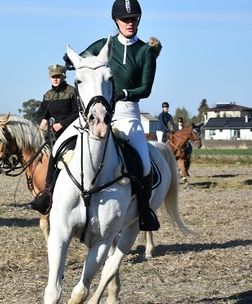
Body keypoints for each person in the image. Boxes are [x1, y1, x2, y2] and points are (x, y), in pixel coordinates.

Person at [59, 0, 160, 231]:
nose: (130, 23)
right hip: (98, 111)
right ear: (116, 21)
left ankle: (144, 212)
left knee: (144, 165)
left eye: (134, 19)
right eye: (125, 19)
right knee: (60, 146)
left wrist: (122, 92)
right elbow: (82, 59)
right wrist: (71, 62)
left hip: (128, 113)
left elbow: (146, 89)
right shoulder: (103, 45)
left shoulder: (145, 51)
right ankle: (48, 195)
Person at [26, 64, 79, 214]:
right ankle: (44, 193)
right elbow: (42, 112)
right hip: (52, 134)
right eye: (53, 76)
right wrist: (41, 121)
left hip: (71, 132)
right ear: (50, 78)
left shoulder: (72, 92)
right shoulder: (47, 95)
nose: (56, 79)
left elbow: (77, 113)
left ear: (63, 77)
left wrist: (61, 124)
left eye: (58, 76)